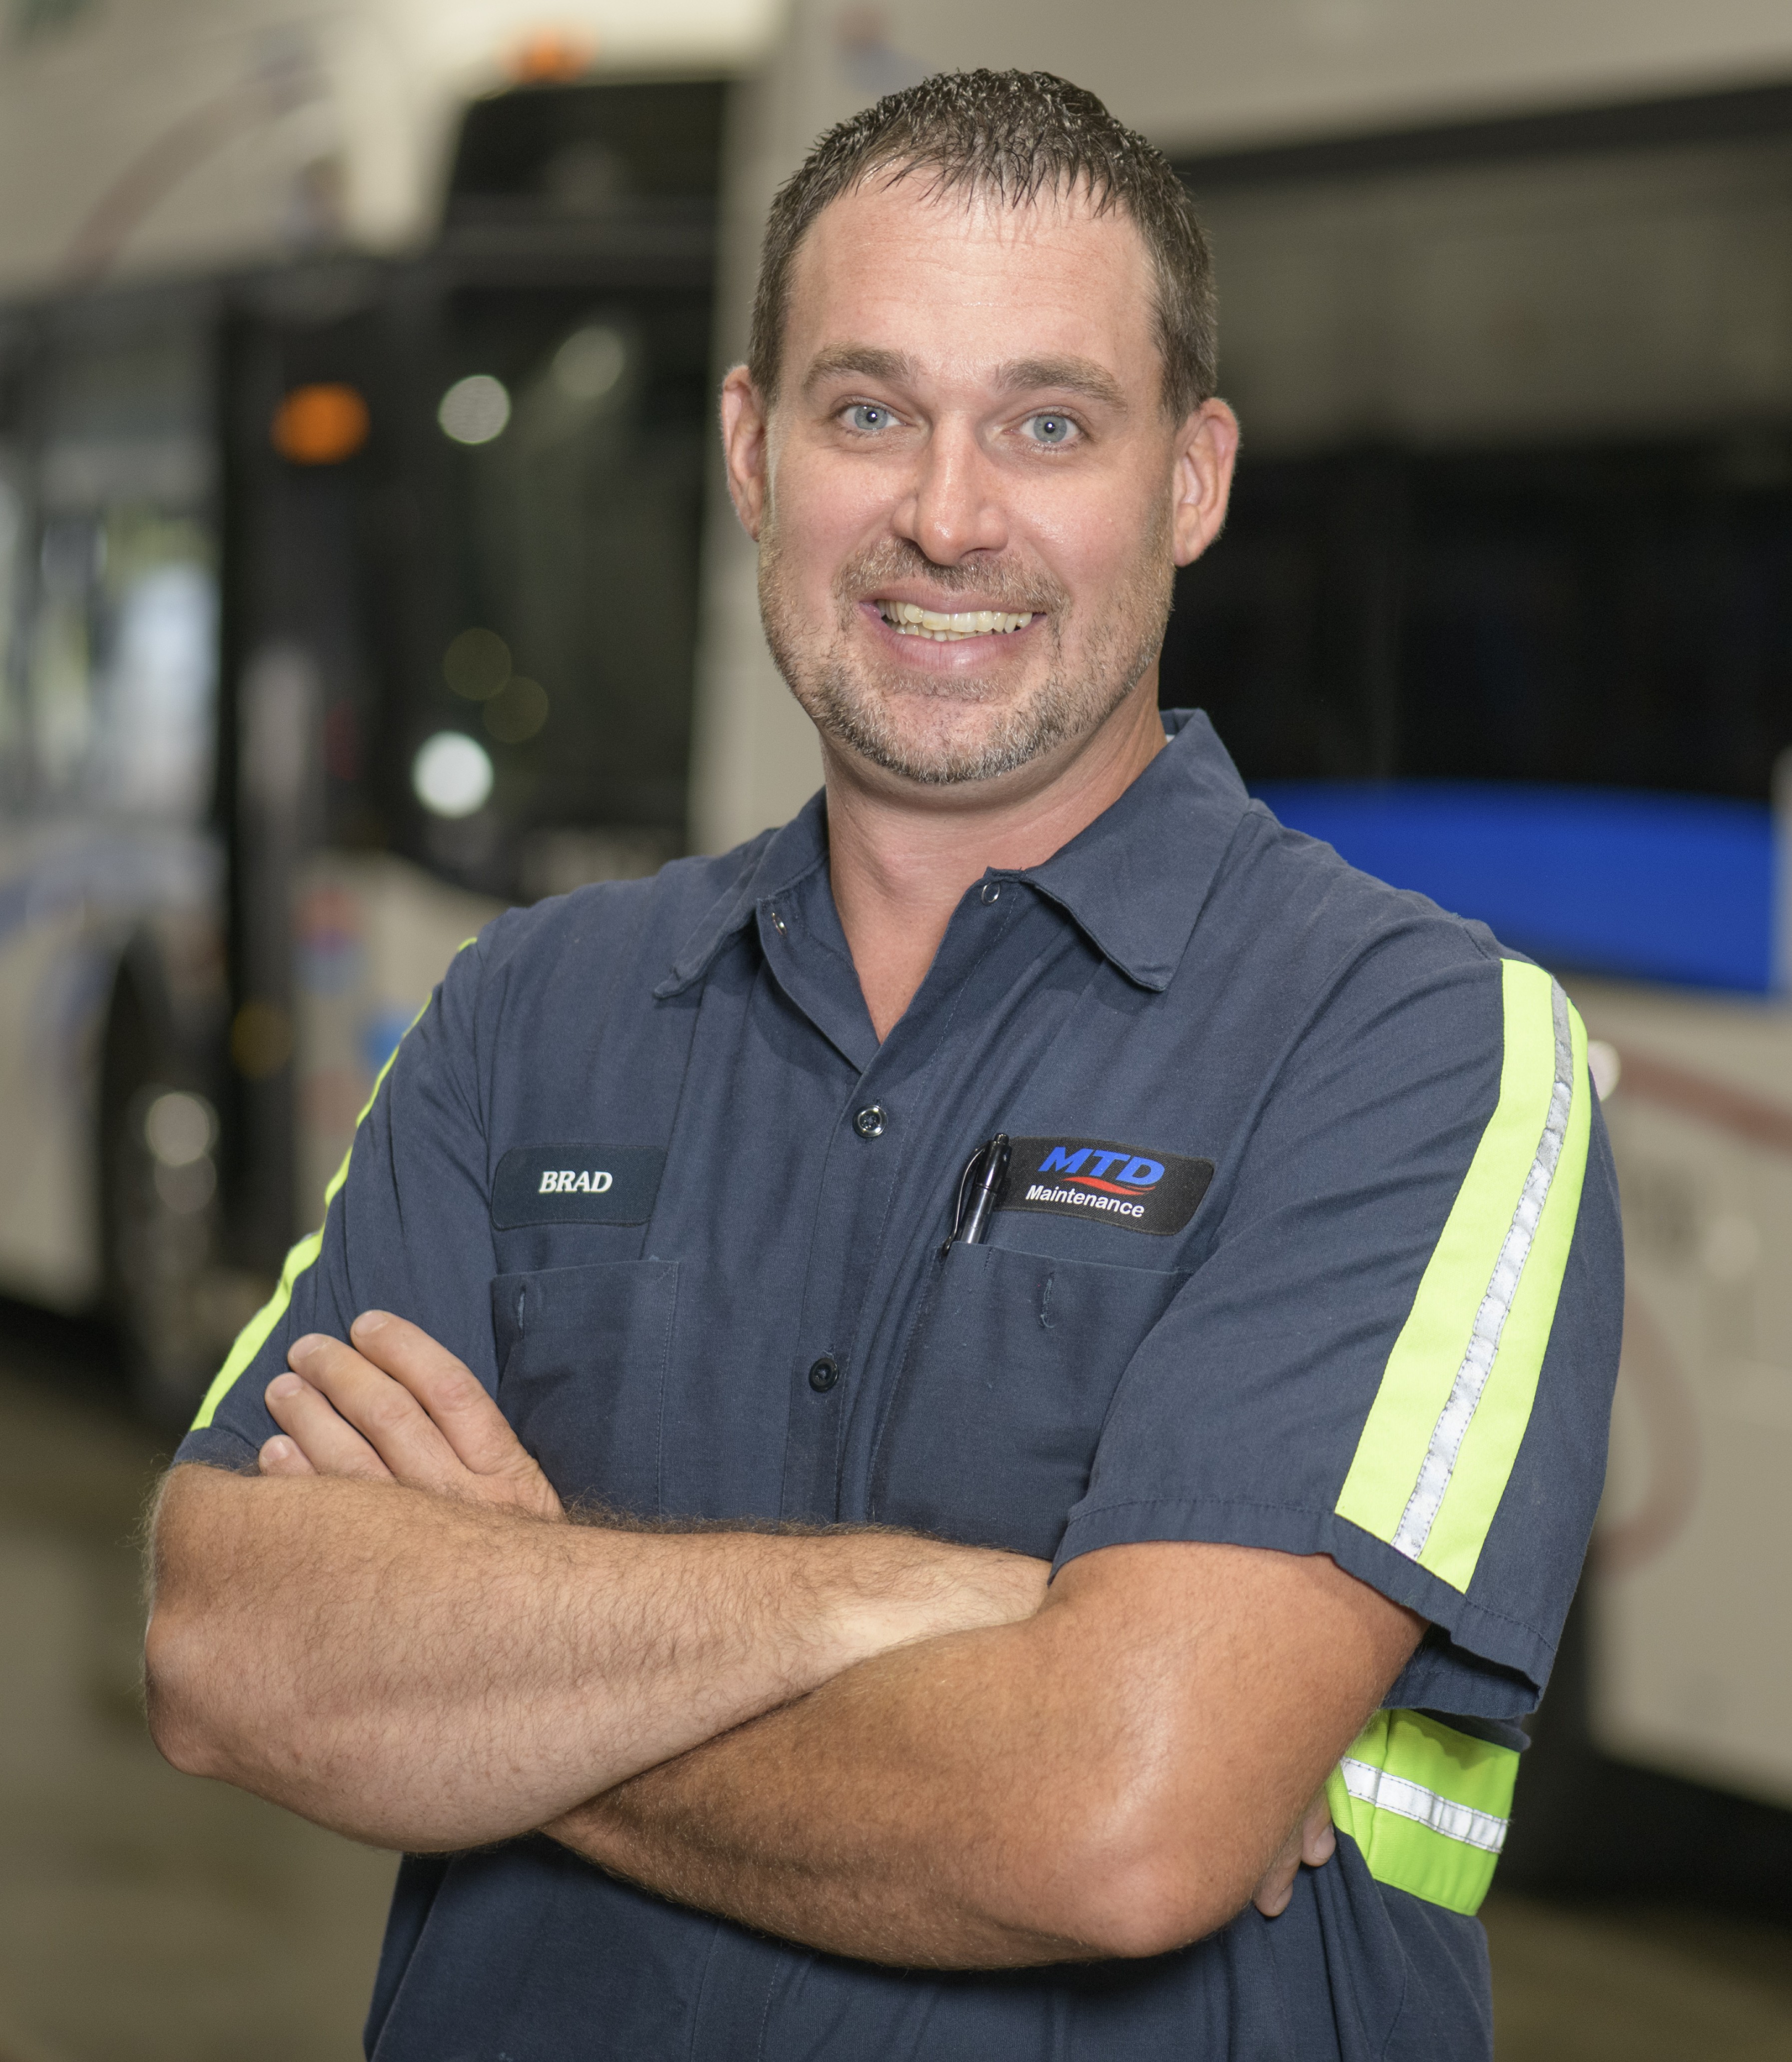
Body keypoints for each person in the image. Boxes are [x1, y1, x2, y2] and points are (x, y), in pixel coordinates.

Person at [145, 70, 1623, 2062]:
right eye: (868, 412)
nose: (947, 514)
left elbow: (1113, 1824)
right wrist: (872, 1604)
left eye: (1046, 423)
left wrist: (504, 1655)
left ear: (1191, 481)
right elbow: (230, 1646)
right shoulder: (530, 1011)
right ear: (751, 451)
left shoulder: (1407, 1044)